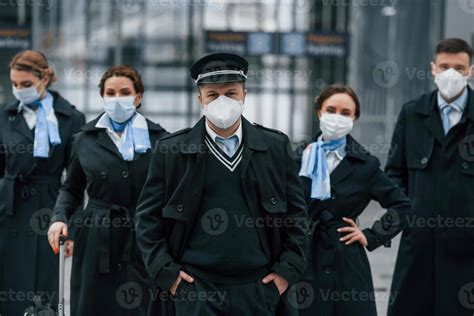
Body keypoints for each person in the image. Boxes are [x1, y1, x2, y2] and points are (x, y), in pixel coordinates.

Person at [135, 53, 308, 316]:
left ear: (244, 95)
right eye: (213, 95)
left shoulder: (274, 147)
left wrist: (286, 272)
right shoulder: (171, 151)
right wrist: (166, 273)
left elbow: (296, 216)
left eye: (231, 93)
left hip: (259, 290)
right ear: (200, 99)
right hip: (194, 290)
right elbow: (147, 219)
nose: (222, 102)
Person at [47, 65, 169, 315]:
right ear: (102, 97)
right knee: (94, 304)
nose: (117, 99)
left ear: (138, 97)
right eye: (110, 93)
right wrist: (59, 219)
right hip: (95, 237)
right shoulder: (84, 139)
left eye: (124, 92)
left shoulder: (161, 140)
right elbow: (71, 188)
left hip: (143, 236)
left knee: (141, 305)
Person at [295, 84, 411, 315]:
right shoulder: (296, 156)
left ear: (354, 118)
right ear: (319, 112)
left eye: (345, 113)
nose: (337, 118)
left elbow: (403, 206)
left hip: (346, 261)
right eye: (331, 110)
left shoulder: (365, 164)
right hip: (302, 256)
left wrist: (371, 235)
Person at [386, 38, 474, 316]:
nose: (451, 73)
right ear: (433, 68)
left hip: (467, 249)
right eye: (445, 66)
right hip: (418, 246)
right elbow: (394, 175)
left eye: (459, 68)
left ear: (470, 70)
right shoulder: (413, 114)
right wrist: (406, 218)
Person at [0, 50, 85, 315]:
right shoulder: (6, 114)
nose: (19, 90)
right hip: (9, 208)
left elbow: (76, 179)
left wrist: (72, 225)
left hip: (50, 211)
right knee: (10, 284)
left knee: (44, 287)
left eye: (25, 84)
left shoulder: (71, 118)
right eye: (14, 84)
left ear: (44, 79)